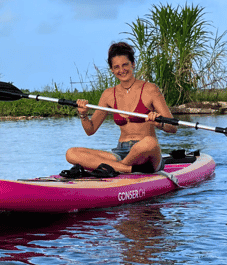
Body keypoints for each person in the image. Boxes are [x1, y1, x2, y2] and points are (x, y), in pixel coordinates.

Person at [62, 41, 177, 178]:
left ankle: (113, 168)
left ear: (133, 64)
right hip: (120, 152)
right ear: (111, 70)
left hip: (146, 153)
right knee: (71, 153)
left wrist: (160, 123)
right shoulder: (108, 94)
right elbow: (90, 130)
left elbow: (173, 127)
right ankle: (125, 168)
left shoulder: (150, 89)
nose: (121, 70)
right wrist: (83, 115)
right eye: (116, 67)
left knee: (149, 142)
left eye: (125, 65)